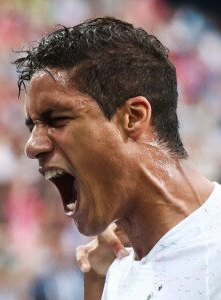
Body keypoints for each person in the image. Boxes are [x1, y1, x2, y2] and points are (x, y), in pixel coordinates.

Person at [14, 17, 221, 299]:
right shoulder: (116, 267)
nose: (32, 146)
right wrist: (97, 285)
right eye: (33, 126)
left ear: (133, 117)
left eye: (58, 119)